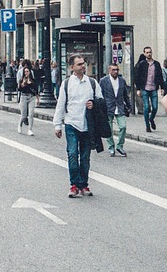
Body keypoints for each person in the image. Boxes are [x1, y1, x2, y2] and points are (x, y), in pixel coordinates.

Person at [53, 54, 98, 198]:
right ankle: (74, 185)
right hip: (72, 123)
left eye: (83, 63)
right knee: (72, 154)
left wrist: (94, 104)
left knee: (85, 157)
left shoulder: (92, 83)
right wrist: (57, 125)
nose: (82, 66)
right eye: (79, 64)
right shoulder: (66, 84)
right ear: (72, 67)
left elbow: (101, 100)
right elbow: (61, 105)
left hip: (87, 125)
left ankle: (83, 184)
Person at [98, 61, 130, 156]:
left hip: (119, 107)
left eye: (117, 70)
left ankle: (120, 146)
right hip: (108, 107)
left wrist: (129, 106)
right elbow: (100, 95)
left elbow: (125, 95)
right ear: (109, 70)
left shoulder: (122, 80)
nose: (115, 71)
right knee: (109, 129)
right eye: (113, 70)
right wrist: (100, 107)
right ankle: (111, 147)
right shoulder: (103, 81)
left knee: (123, 126)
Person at [134, 48, 165, 133]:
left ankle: (151, 119)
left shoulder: (156, 64)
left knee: (155, 107)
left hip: (154, 88)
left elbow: (160, 76)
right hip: (145, 88)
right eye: (147, 52)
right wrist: (138, 88)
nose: (149, 54)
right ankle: (147, 125)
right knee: (146, 107)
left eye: (150, 52)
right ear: (144, 53)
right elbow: (137, 77)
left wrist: (162, 87)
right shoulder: (142, 64)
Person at [15, 59, 38, 135]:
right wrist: (23, 84)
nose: (26, 73)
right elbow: (19, 89)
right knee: (24, 115)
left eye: (28, 71)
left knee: (31, 114)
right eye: (25, 72)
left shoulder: (32, 79)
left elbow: (35, 89)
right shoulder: (21, 80)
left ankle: (30, 129)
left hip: (31, 97)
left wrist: (37, 98)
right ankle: (20, 125)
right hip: (24, 97)